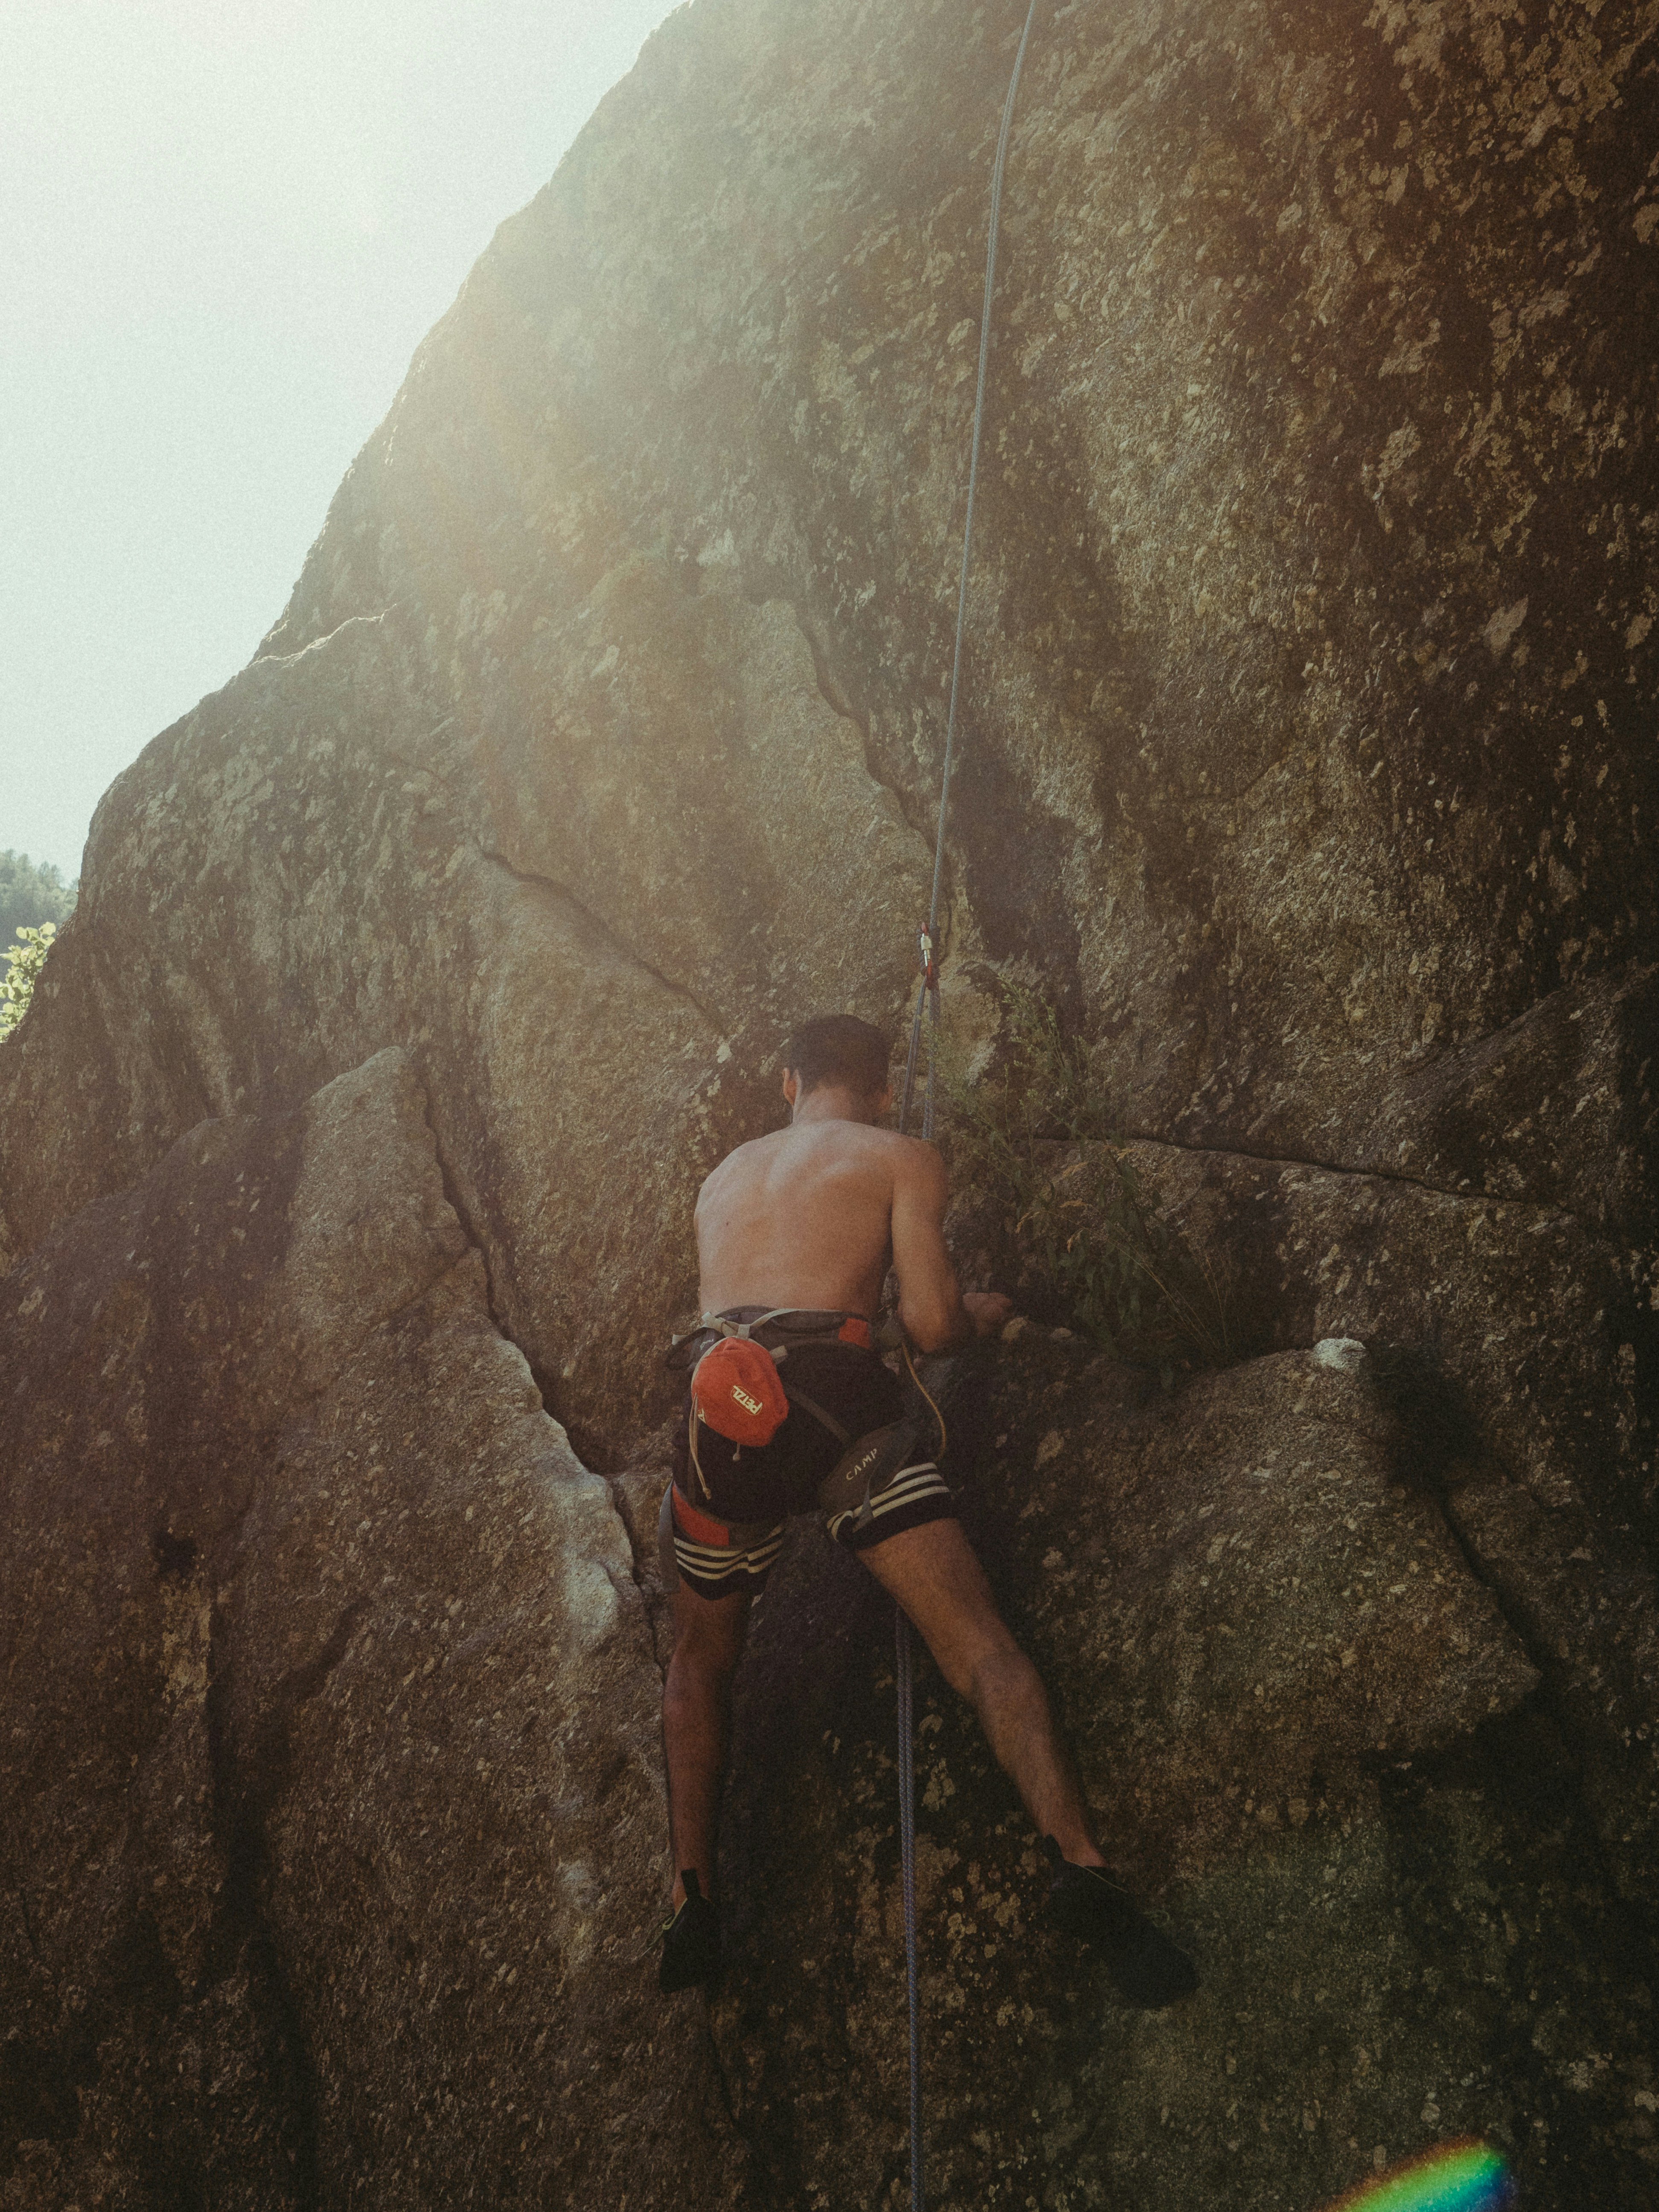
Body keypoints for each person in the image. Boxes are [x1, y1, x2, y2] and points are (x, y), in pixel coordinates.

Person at [657, 1013, 1196, 2007]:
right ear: (881, 1088)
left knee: (699, 1661)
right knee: (981, 1649)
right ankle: (1080, 1863)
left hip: (719, 1413)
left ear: (788, 1082)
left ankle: (692, 1892)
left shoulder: (723, 1176)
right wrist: (977, 1319)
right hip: (835, 1412)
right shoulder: (899, 1153)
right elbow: (934, 1324)